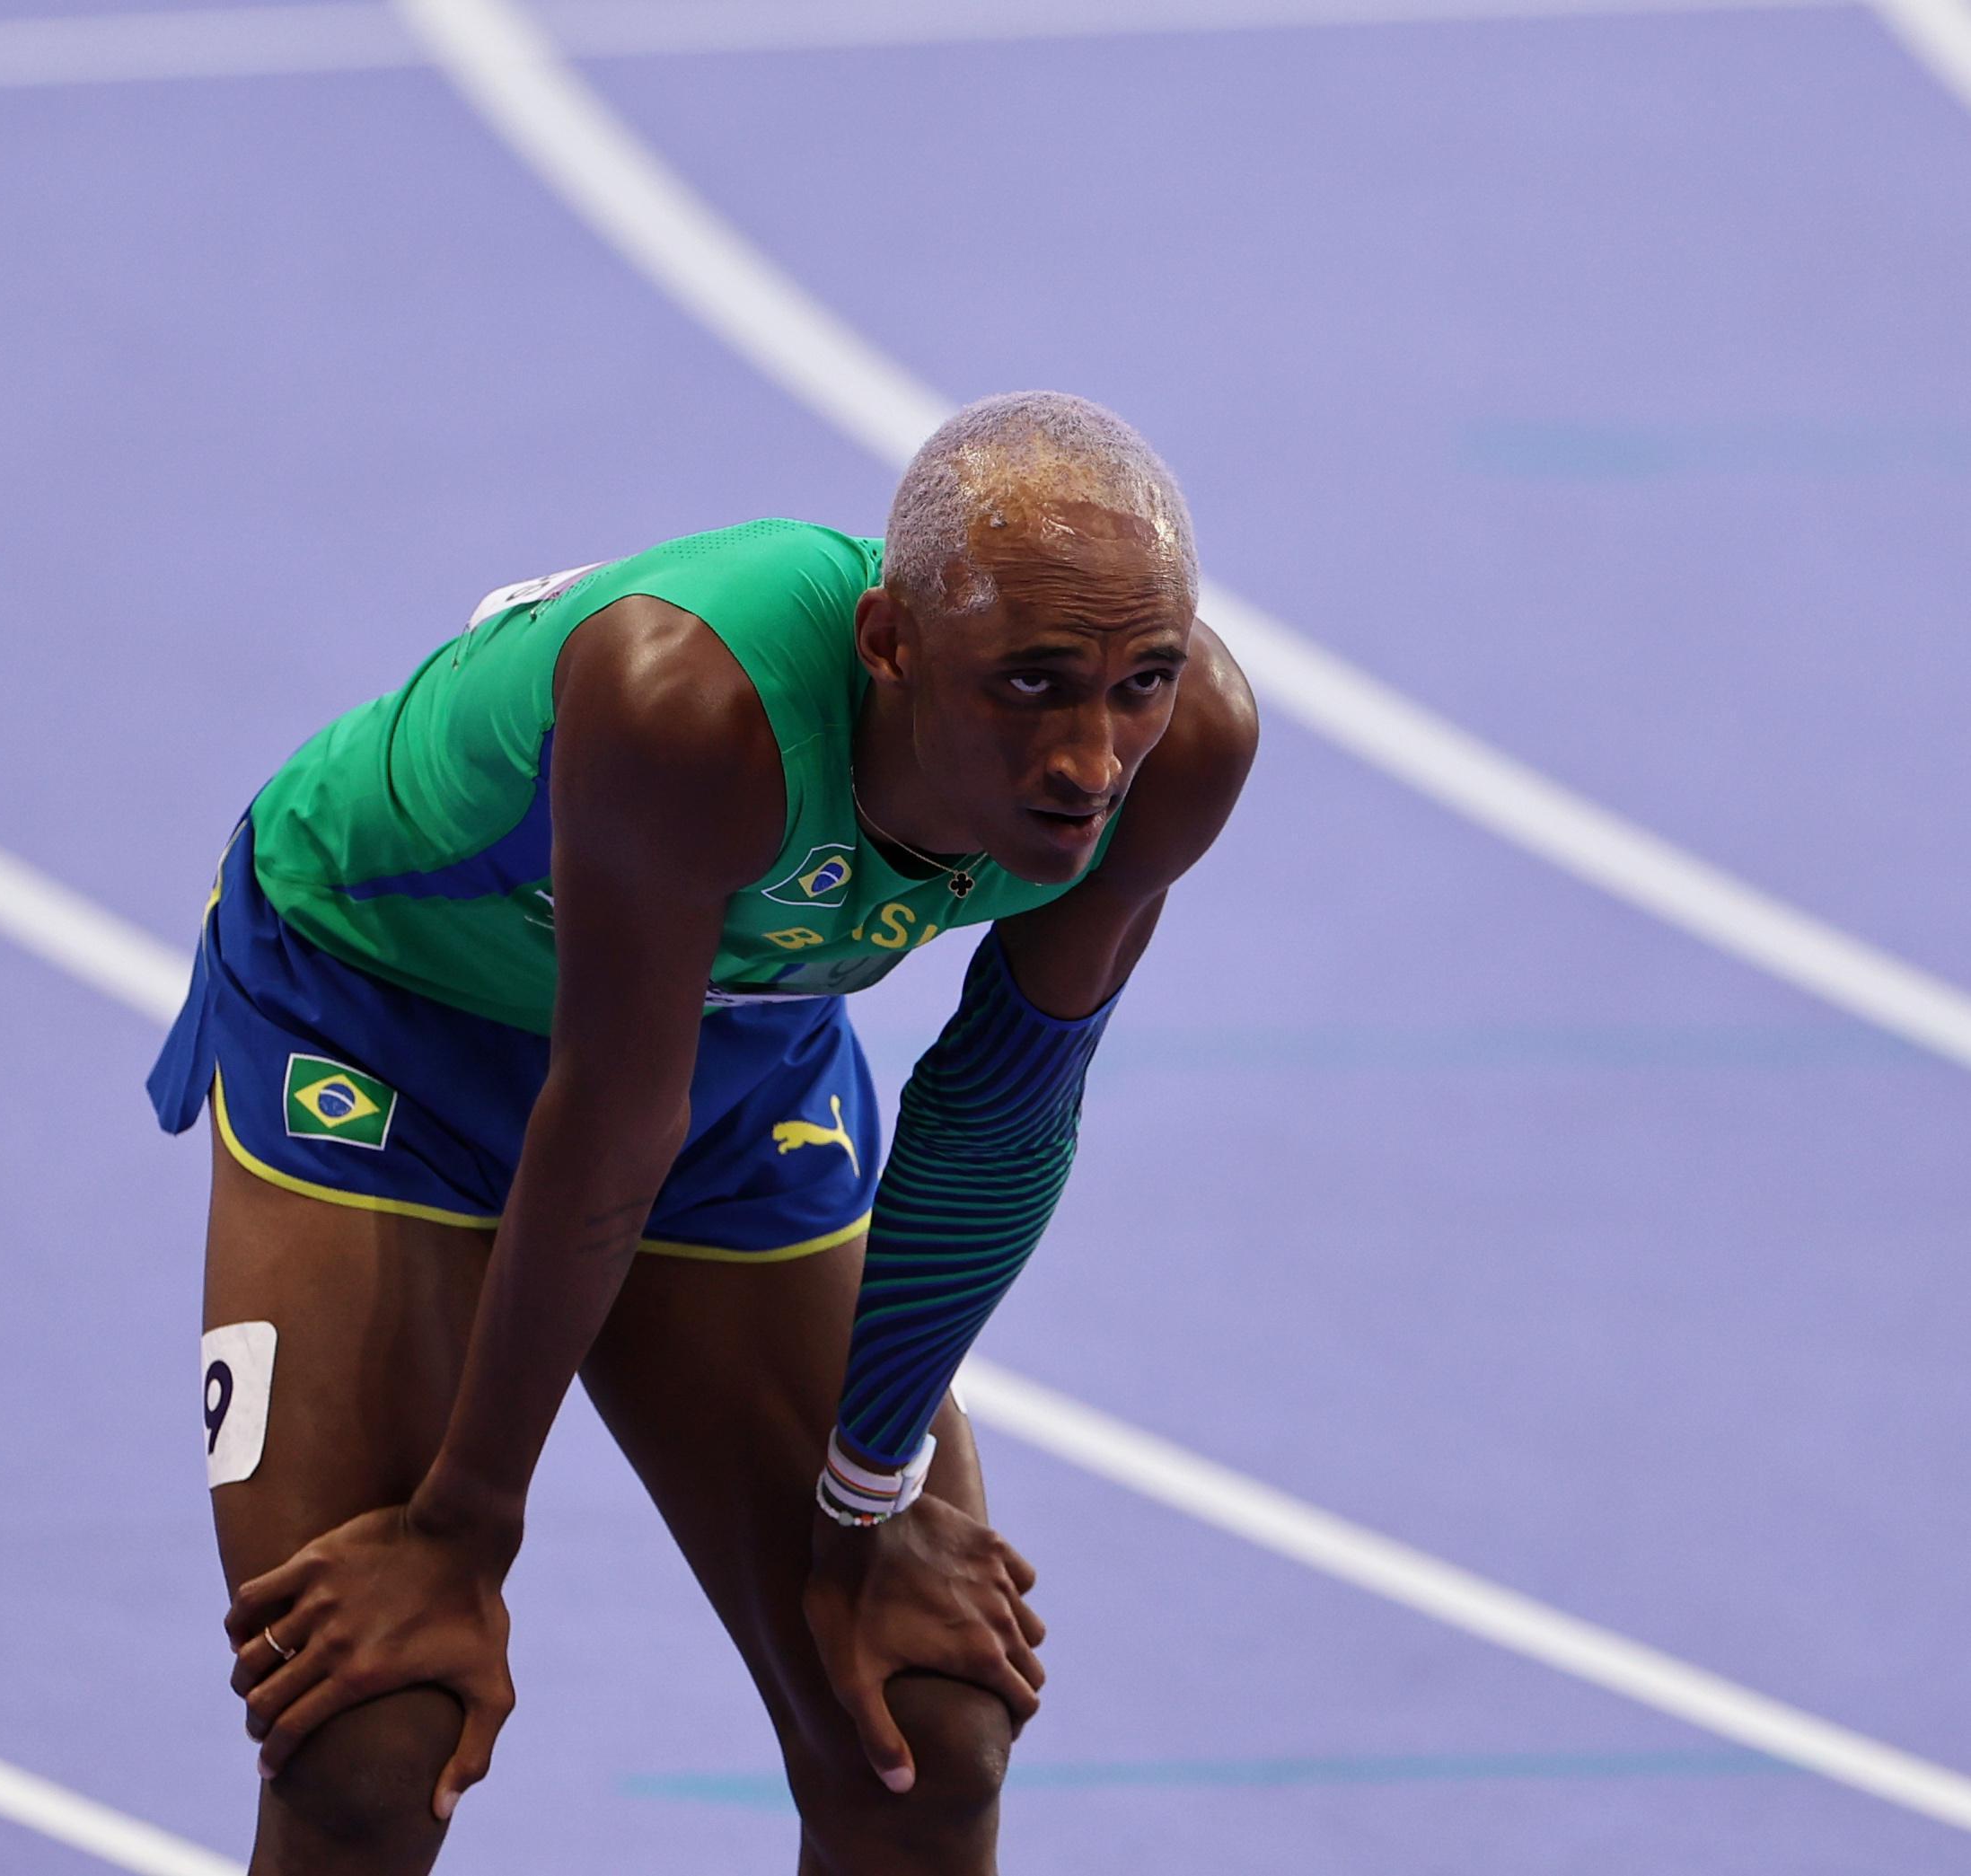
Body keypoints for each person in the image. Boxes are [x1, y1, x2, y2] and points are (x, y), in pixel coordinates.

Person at [150, 391, 1256, 1873]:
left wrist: (870, 1501)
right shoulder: (689, 701)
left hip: (729, 1036)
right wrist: (463, 1530)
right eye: (1031, 685)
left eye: (1138, 683)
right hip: (380, 1029)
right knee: (372, 1733)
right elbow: (611, 1120)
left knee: (925, 1725)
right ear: (887, 646)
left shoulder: (1180, 758)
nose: (1087, 759)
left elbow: (998, 1114)